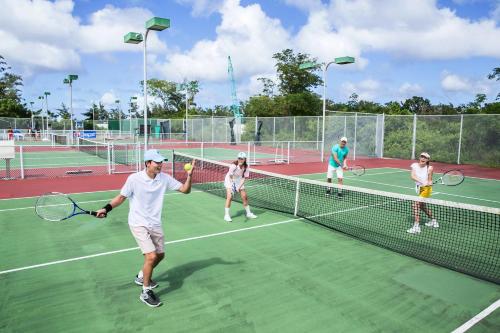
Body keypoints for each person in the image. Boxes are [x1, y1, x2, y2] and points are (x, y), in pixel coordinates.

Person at [95, 149, 195, 307]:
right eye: (157, 162)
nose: (160, 165)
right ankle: (145, 291)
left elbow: (185, 190)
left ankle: (141, 276)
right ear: (148, 163)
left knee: (160, 255)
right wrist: (105, 209)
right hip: (138, 223)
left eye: (161, 162)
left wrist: (189, 175)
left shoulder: (164, 178)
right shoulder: (134, 179)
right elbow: (121, 197)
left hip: (155, 223)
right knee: (151, 256)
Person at [407, 152, 438, 234]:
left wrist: (429, 182)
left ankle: (416, 227)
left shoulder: (430, 168)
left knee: (415, 204)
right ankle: (434, 221)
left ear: (428, 160)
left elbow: (430, 179)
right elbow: (412, 176)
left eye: (425, 157)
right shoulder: (414, 165)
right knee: (422, 207)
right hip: (419, 188)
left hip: (426, 189)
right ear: (420, 158)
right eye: (422, 157)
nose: (423, 159)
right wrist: (422, 182)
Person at [223, 152, 257, 222]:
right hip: (229, 180)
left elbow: (243, 178)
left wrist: (238, 187)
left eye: (242, 159)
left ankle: (248, 213)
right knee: (229, 197)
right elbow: (230, 176)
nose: (240, 160)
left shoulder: (246, 167)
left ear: (245, 159)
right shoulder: (233, 166)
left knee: (244, 196)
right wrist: (233, 185)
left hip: (238, 180)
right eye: (239, 158)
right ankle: (226, 215)